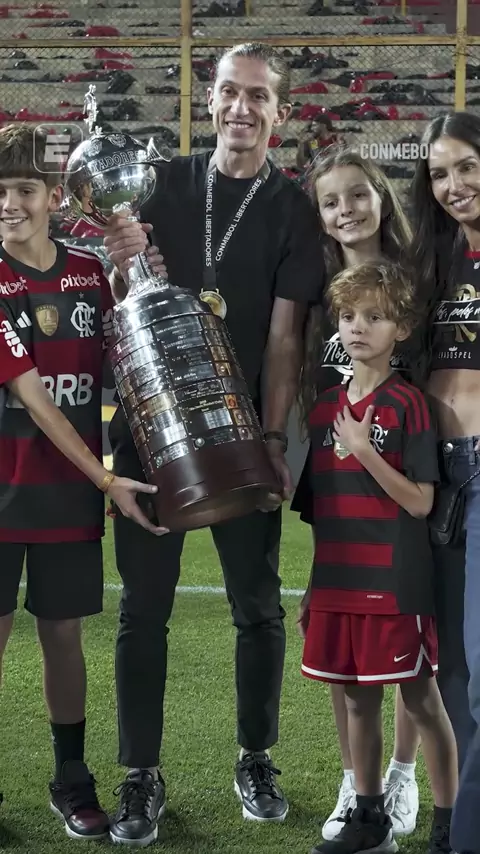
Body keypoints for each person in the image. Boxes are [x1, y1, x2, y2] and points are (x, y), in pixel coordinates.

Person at [103, 41, 324, 847]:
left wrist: (272, 437)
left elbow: (285, 339)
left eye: (258, 96)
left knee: (257, 608)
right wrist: (123, 265)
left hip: (239, 436)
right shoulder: (160, 183)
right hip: (152, 430)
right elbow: (127, 295)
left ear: (280, 112)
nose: (241, 108)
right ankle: (140, 774)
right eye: (230, 91)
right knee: (143, 611)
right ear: (211, 99)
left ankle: (256, 758)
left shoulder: (293, 208)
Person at [0, 124, 166, 839]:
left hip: (64, 496)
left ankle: (71, 779)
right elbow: (34, 398)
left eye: (24, 189)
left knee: (63, 636)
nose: (9, 204)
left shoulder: (87, 273)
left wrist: (134, 273)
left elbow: (124, 346)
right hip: (9, 492)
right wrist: (106, 478)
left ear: (54, 198)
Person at [299, 259, 458, 854]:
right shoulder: (323, 409)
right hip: (338, 582)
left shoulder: (408, 404)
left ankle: (450, 824)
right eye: (348, 315)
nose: (358, 326)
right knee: (357, 699)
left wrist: (365, 451)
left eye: (375, 316)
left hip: (394, 583)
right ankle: (368, 823)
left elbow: (420, 502)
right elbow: (322, 511)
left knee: (420, 699)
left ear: (402, 329)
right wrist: (314, 587)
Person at [291, 147, 421, 840]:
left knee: (408, 638)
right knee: (340, 635)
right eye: (331, 201)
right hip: (338, 480)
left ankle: (403, 774)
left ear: (381, 196)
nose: (346, 210)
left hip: (404, 476)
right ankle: (355, 782)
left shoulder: (417, 275)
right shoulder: (317, 292)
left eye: (358, 195)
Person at [411, 110, 480, 854]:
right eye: (439, 173)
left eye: (466, 166)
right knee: (450, 673)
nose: (454, 185)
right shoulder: (432, 259)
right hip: (437, 476)